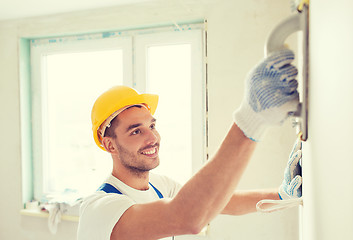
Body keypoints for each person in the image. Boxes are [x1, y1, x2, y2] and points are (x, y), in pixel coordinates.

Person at [77, 49, 302, 240]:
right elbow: (187, 216)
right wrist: (252, 118)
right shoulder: (99, 209)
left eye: (152, 126)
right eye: (136, 131)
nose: (152, 138)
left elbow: (217, 200)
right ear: (110, 145)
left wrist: (281, 195)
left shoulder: (160, 186)